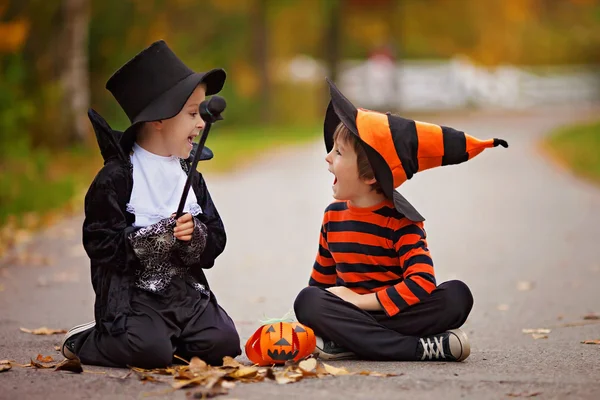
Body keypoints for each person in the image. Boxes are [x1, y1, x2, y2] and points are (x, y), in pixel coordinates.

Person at [294, 78, 508, 362]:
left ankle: (351, 342)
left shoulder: (401, 222)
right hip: (351, 315)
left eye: (338, 152)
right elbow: (320, 285)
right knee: (307, 302)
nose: (327, 157)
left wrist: (358, 301)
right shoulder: (332, 217)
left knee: (457, 295)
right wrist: (300, 322)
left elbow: (421, 283)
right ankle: (419, 347)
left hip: (396, 311)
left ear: (370, 176)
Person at [60, 40, 241, 368]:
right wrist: (154, 239)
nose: (201, 123)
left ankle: (169, 337)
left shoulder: (189, 173)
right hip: (133, 299)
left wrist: (195, 235)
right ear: (158, 118)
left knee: (223, 345)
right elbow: (99, 245)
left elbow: (216, 239)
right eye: (191, 114)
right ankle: (92, 339)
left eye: (201, 113)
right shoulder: (117, 178)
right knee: (149, 354)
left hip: (185, 295)